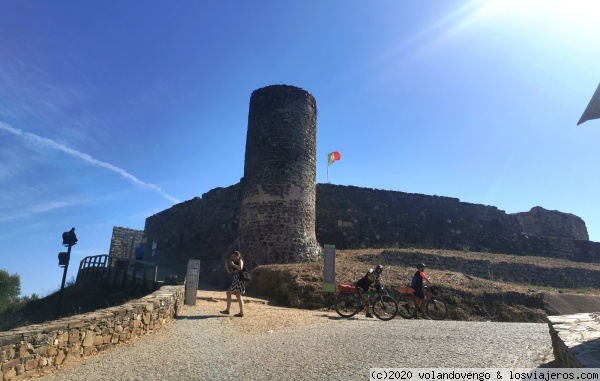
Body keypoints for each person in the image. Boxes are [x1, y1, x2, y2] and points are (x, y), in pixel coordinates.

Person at [220, 251, 245, 317]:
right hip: (238, 280)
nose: (233, 258)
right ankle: (241, 312)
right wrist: (226, 265)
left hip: (238, 280)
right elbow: (229, 272)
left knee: (228, 293)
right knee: (238, 296)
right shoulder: (236, 263)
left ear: (238, 256)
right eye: (232, 256)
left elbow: (240, 268)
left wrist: (233, 264)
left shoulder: (240, 261)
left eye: (234, 256)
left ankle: (228, 310)